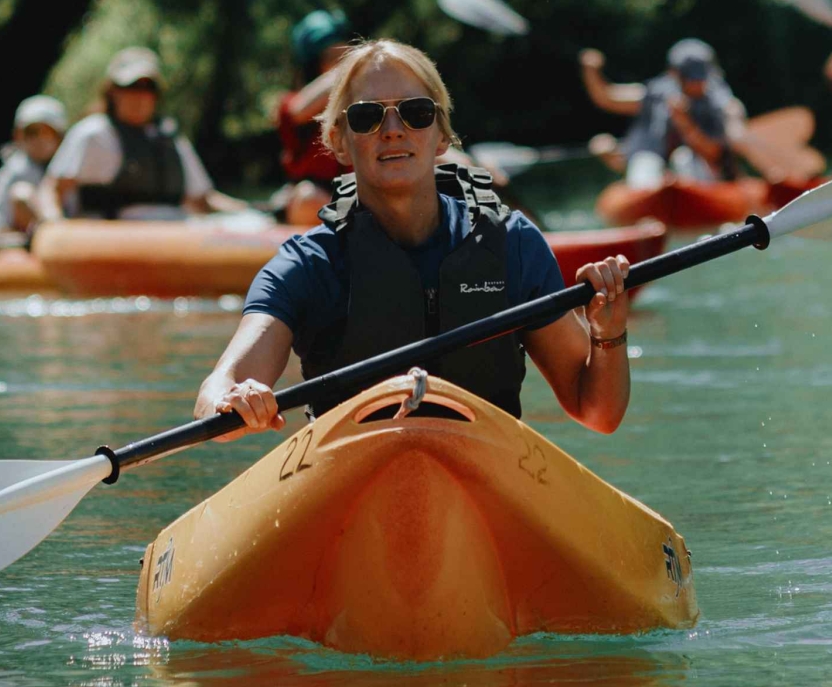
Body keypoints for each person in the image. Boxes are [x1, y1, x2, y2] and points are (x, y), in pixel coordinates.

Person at [195, 39, 634, 437]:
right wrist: (231, 399)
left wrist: (608, 335)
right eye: (368, 116)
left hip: (480, 471)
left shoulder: (514, 245)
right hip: (353, 477)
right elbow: (217, 394)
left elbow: (597, 412)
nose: (393, 129)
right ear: (339, 142)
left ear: (442, 136)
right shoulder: (307, 264)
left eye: (416, 112)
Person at [37, 47, 244, 221]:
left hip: (173, 240)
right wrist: (54, 224)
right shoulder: (93, 134)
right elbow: (52, 190)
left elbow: (202, 200)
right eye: (131, 87)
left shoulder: (170, 137)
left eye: (148, 88)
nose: (140, 96)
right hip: (109, 242)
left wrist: (251, 213)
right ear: (113, 91)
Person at [579, 39, 745, 183]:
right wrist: (591, 70)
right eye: (691, 77)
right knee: (644, 162)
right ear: (674, 74)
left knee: (683, 158)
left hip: (703, 172)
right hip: (657, 168)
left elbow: (718, 151)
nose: (697, 83)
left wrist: (685, 122)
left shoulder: (723, 103)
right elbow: (606, 97)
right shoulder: (658, 94)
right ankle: (644, 193)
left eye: (700, 77)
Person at [273, 10, 354, 224]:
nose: (341, 63)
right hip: (315, 196)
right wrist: (354, 64)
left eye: (344, 55)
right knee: (308, 197)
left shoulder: (364, 104)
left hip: (359, 195)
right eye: (332, 57)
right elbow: (300, 110)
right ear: (313, 66)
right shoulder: (290, 103)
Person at [0, 95, 68, 235]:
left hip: (64, 232)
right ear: (19, 135)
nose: (40, 140)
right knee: (22, 193)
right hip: (20, 237)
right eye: (32, 133)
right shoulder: (13, 170)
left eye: (47, 133)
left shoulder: (65, 168)